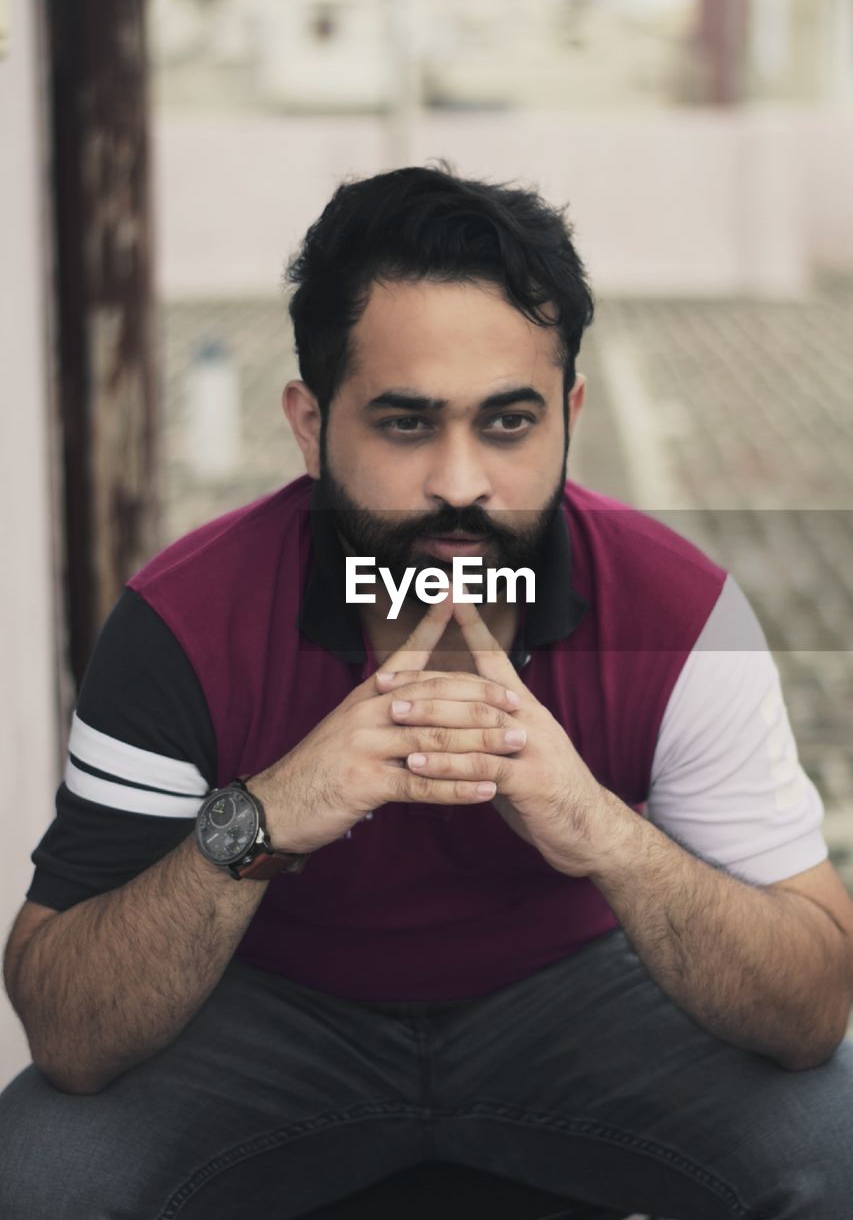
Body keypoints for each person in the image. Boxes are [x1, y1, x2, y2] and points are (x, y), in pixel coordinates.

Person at [1, 164, 852, 1220]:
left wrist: (600, 828)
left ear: (568, 413)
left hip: (574, 1003)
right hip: (271, 1013)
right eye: (406, 423)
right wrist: (262, 817)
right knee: (43, 1171)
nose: (460, 480)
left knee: (834, 1143)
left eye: (508, 422)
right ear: (312, 426)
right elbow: (66, 1027)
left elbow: (814, 1006)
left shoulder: (680, 616)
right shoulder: (182, 623)